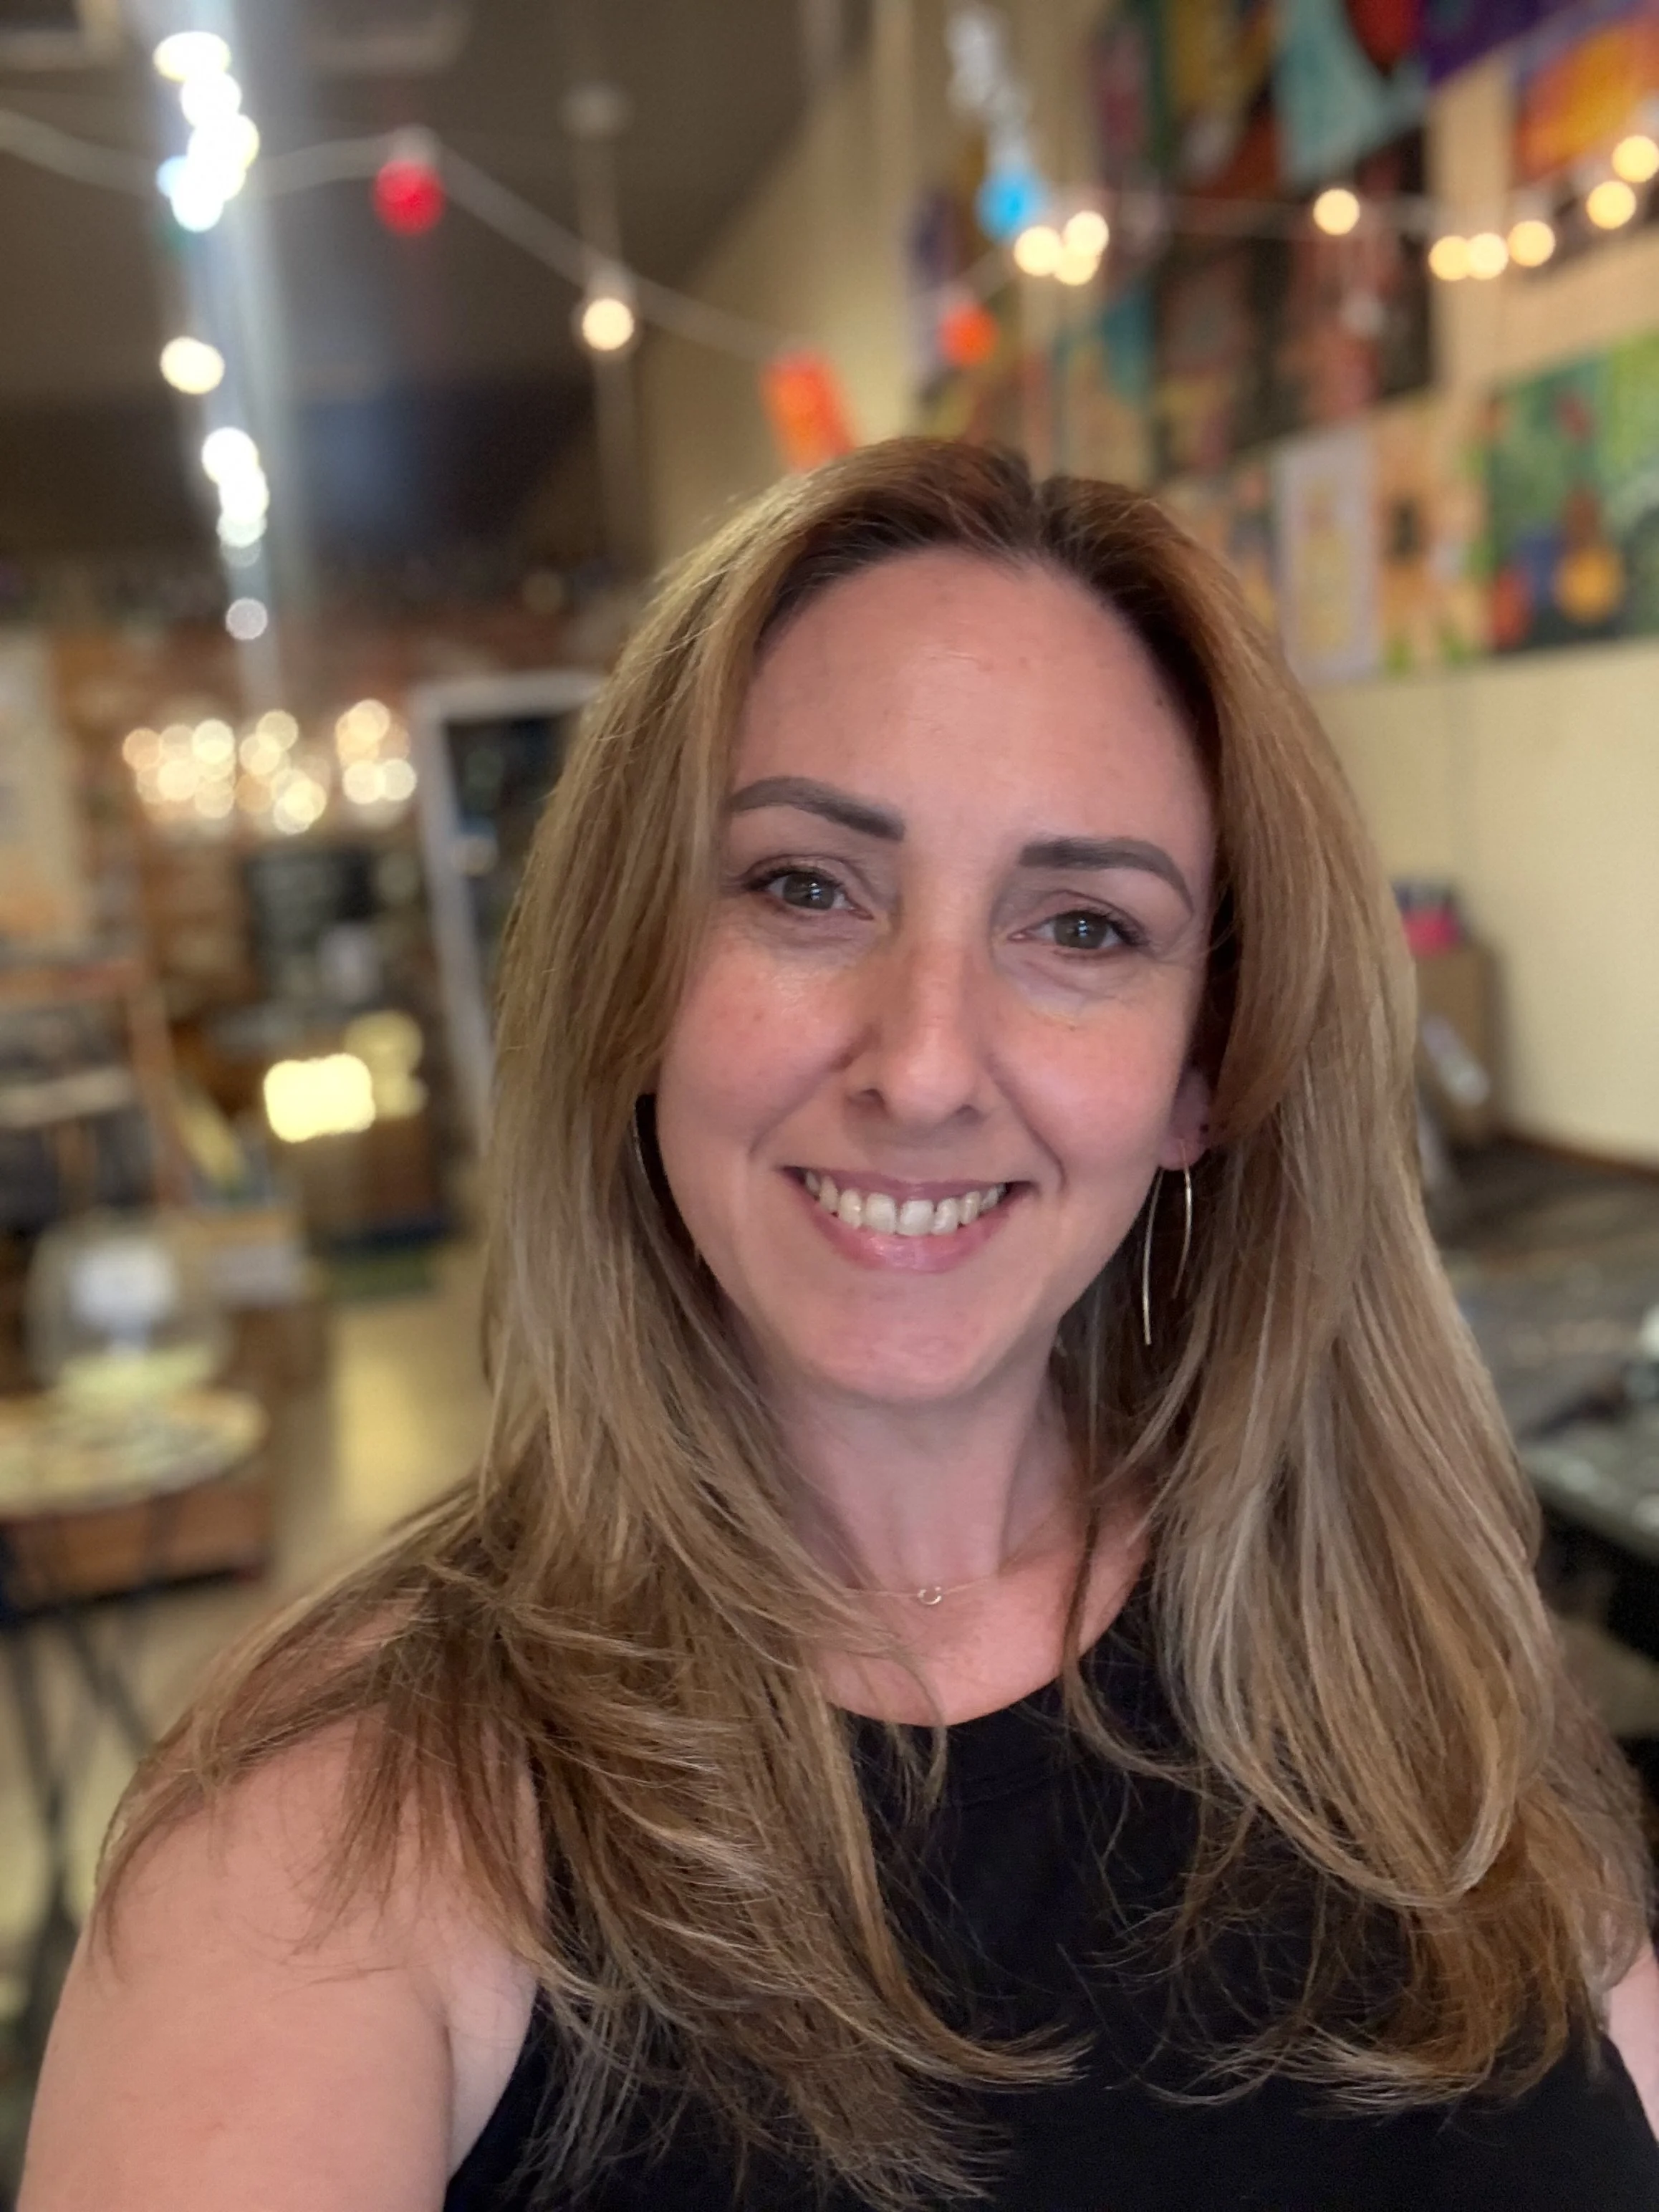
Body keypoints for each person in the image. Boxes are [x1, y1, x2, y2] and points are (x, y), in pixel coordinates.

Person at [21, 439, 1659, 2211]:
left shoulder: (1403, 1651)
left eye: (1085, 924)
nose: (927, 1063)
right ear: (636, 965)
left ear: (1207, 1068)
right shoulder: (336, 1824)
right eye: (808, 886)